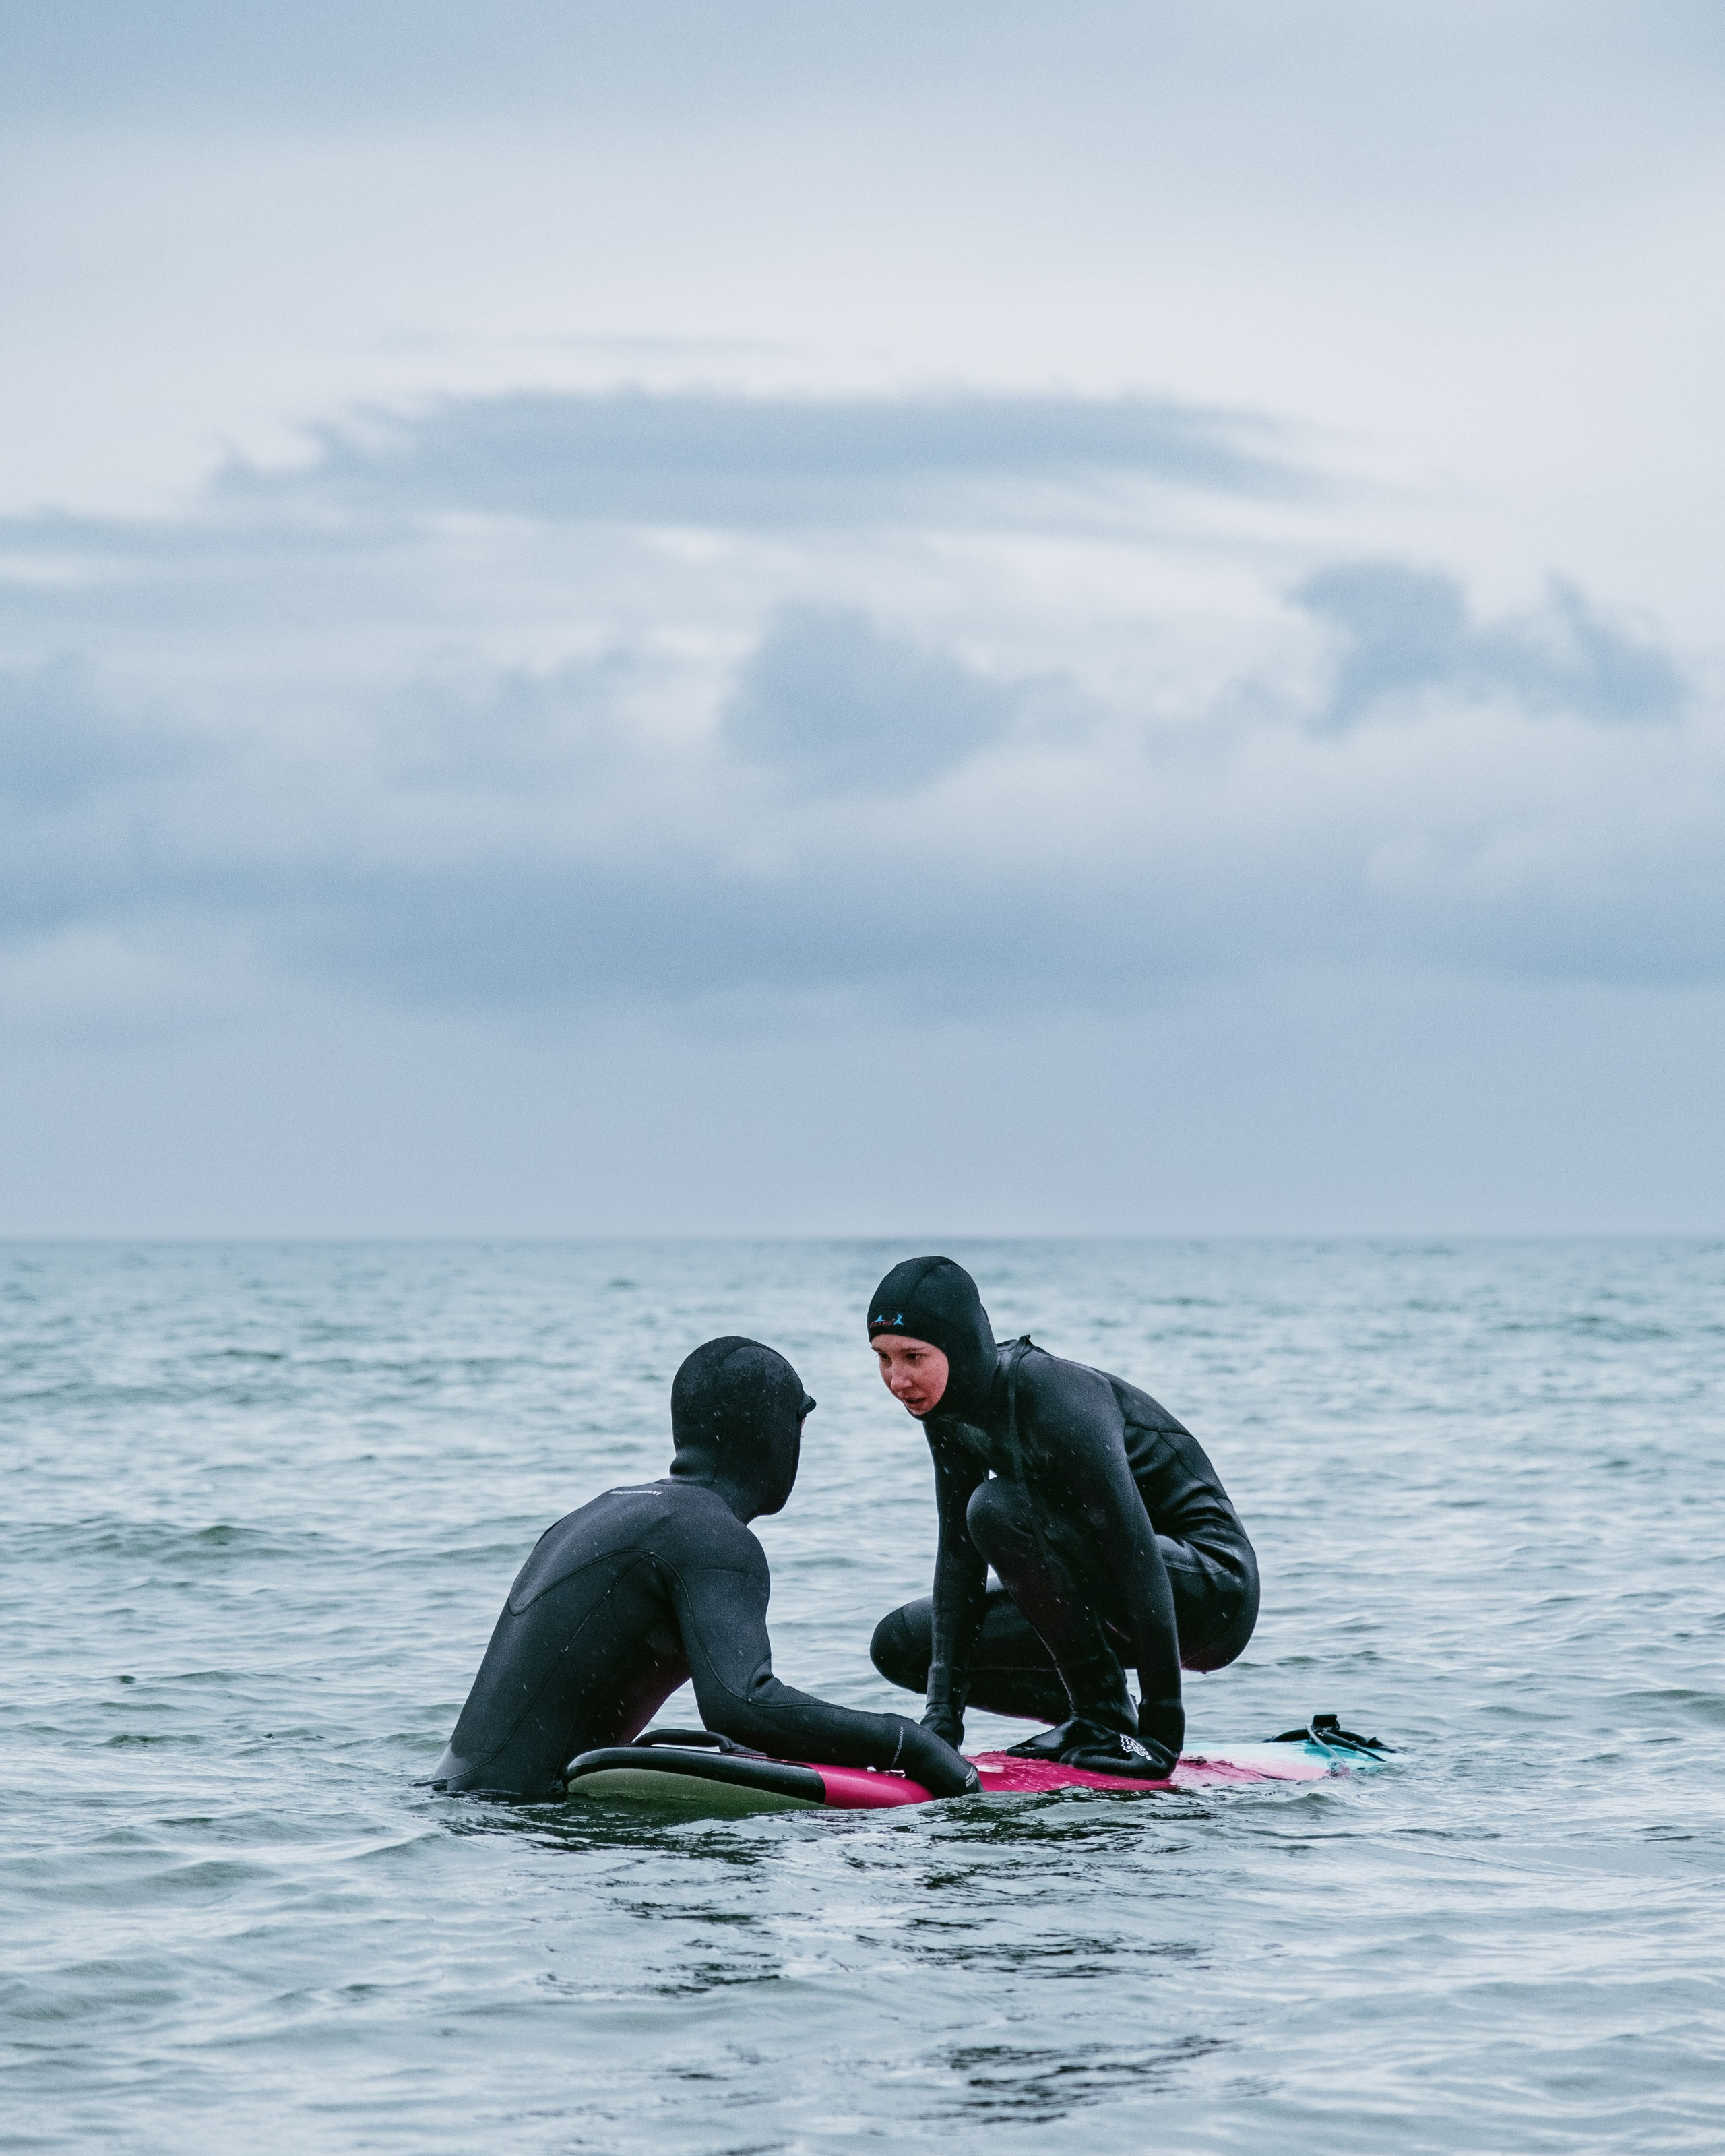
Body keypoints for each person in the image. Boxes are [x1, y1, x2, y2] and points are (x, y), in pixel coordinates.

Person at [430, 1335, 978, 1801]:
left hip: (462, 1807)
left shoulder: (608, 1510)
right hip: (524, 1824)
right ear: (772, 1432)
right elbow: (743, 1708)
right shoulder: (711, 1536)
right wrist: (908, 1742)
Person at [866, 1256, 1258, 1779]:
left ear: (959, 1350)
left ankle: (1105, 1714)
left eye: (913, 1356)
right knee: (902, 1646)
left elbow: (1135, 1558)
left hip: (1208, 1591)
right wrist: (942, 1719)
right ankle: (1096, 1714)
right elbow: (959, 1558)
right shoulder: (945, 1408)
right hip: (1108, 1587)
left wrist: (1162, 1731)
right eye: (884, 1359)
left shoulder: (1056, 1397)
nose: (898, 1379)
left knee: (996, 1508)